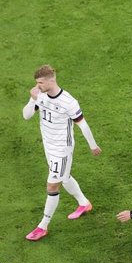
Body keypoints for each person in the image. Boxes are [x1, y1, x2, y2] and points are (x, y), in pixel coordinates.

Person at [22, 65, 102, 241]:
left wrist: (93, 145)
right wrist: (32, 98)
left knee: (52, 185)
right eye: (37, 83)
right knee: (64, 178)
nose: (38, 86)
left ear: (51, 80)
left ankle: (42, 226)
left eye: (41, 82)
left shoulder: (69, 102)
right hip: (48, 147)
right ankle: (84, 203)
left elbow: (83, 124)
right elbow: (26, 116)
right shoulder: (40, 95)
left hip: (61, 149)